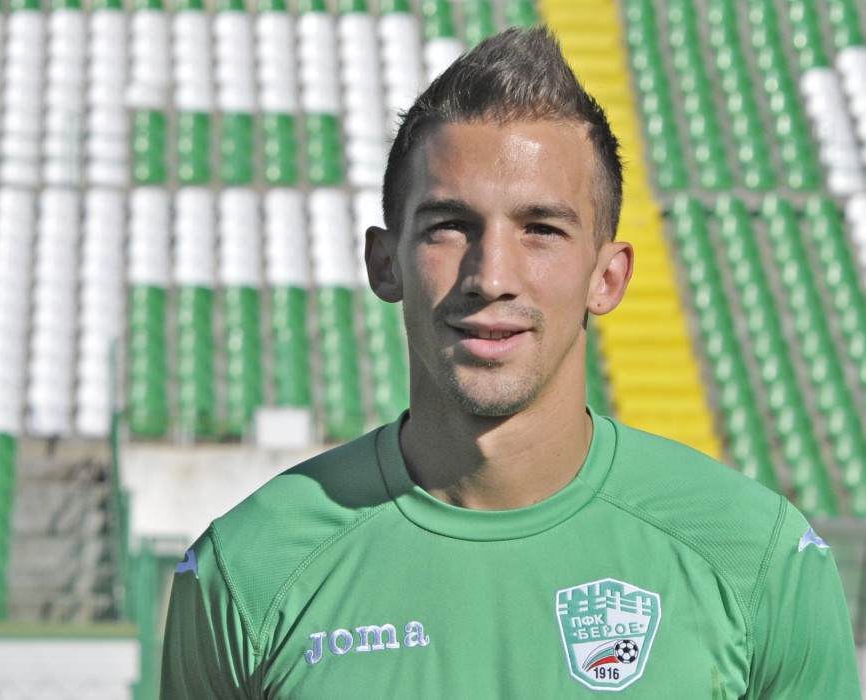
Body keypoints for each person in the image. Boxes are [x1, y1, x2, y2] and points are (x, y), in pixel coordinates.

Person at [160, 26, 861, 698]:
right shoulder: (248, 569)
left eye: (541, 230)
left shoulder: (757, 557)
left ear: (607, 277)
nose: (491, 275)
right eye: (449, 226)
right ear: (385, 263)